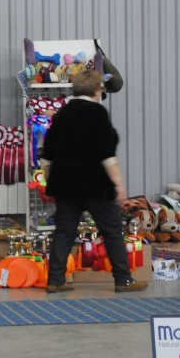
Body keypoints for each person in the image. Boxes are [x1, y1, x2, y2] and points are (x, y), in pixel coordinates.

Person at [41, 69, 147, 293]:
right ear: (97, 90)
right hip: (95, 185)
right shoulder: (97, 113)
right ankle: (123, 279)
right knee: (111, 231)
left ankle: (55, 280)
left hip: (66, 185)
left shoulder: (61, 114)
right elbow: (107, 155)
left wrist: (51, 183)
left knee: (64, 232)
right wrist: (119, 187)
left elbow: (47, 155)